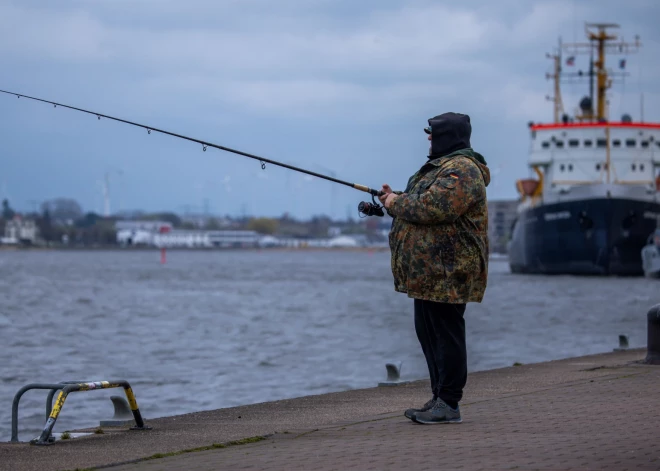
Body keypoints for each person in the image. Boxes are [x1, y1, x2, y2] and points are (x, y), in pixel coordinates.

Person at [379, 112, 490, 424]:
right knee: (429, 336)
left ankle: (450, 404)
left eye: (433, 133)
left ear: (449, 136)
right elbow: (418, 202)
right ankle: (438, 396)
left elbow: (432, 207)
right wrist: (392, 199)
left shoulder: (463, 170)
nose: (428, 138)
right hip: (428, 275)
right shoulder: (440, 169)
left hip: (449, 273)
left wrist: (395, 203)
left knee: (446, 337)